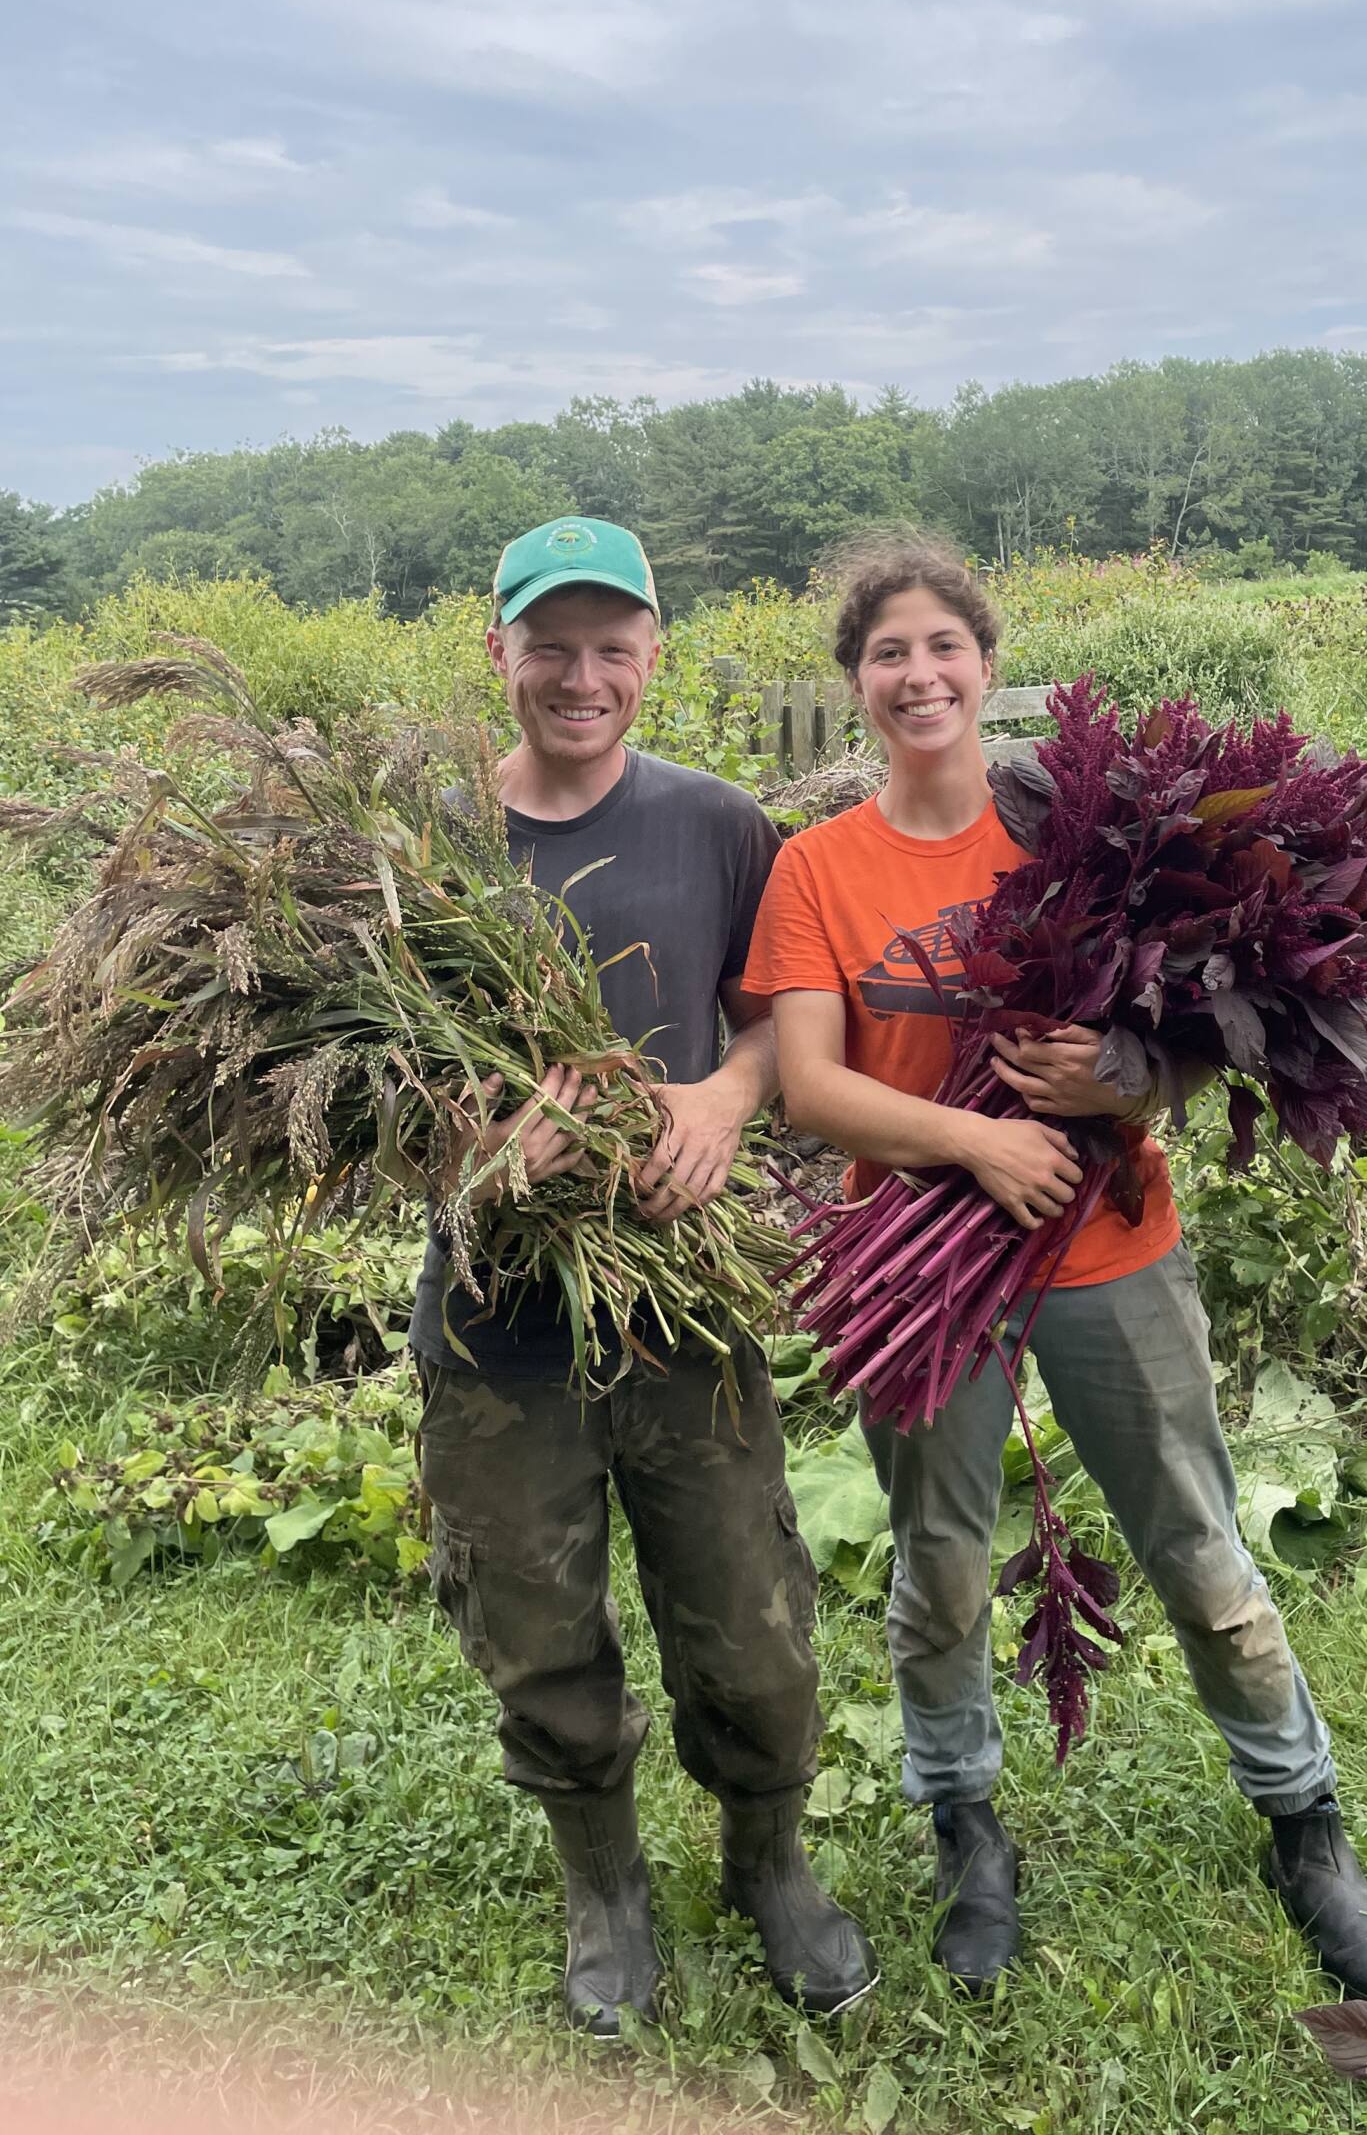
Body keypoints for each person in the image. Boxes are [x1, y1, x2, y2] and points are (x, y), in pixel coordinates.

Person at [743, 533, 1367, 2005]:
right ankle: (964, 1825)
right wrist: (976, 1147)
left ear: (986, 663)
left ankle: (1305, 1824)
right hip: (913, 1264)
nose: (917, 675)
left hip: (1111, 1248)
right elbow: (806, 1083)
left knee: (1197, 1546)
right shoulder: (818, 868)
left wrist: (1124, 1079)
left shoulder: (1082, 831)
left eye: (942, 646)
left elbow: (1195, 1032)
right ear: (855, 684)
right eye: (886, 654)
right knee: (937, 1566)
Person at [410, 516, 873, 2030]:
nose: (583, 675)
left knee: (749, 1613)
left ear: (655, 655)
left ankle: (769, 1860)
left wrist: (723, 1099)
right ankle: (602, 1882)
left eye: (615, 645)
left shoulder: (720, 827)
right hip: (498, 1327)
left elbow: (777, 1025)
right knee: (536, 1624)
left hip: (684, 1303)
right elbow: (350, 1101)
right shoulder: (416, 847)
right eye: (552, 644)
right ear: (500, 651)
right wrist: (477, 1150)